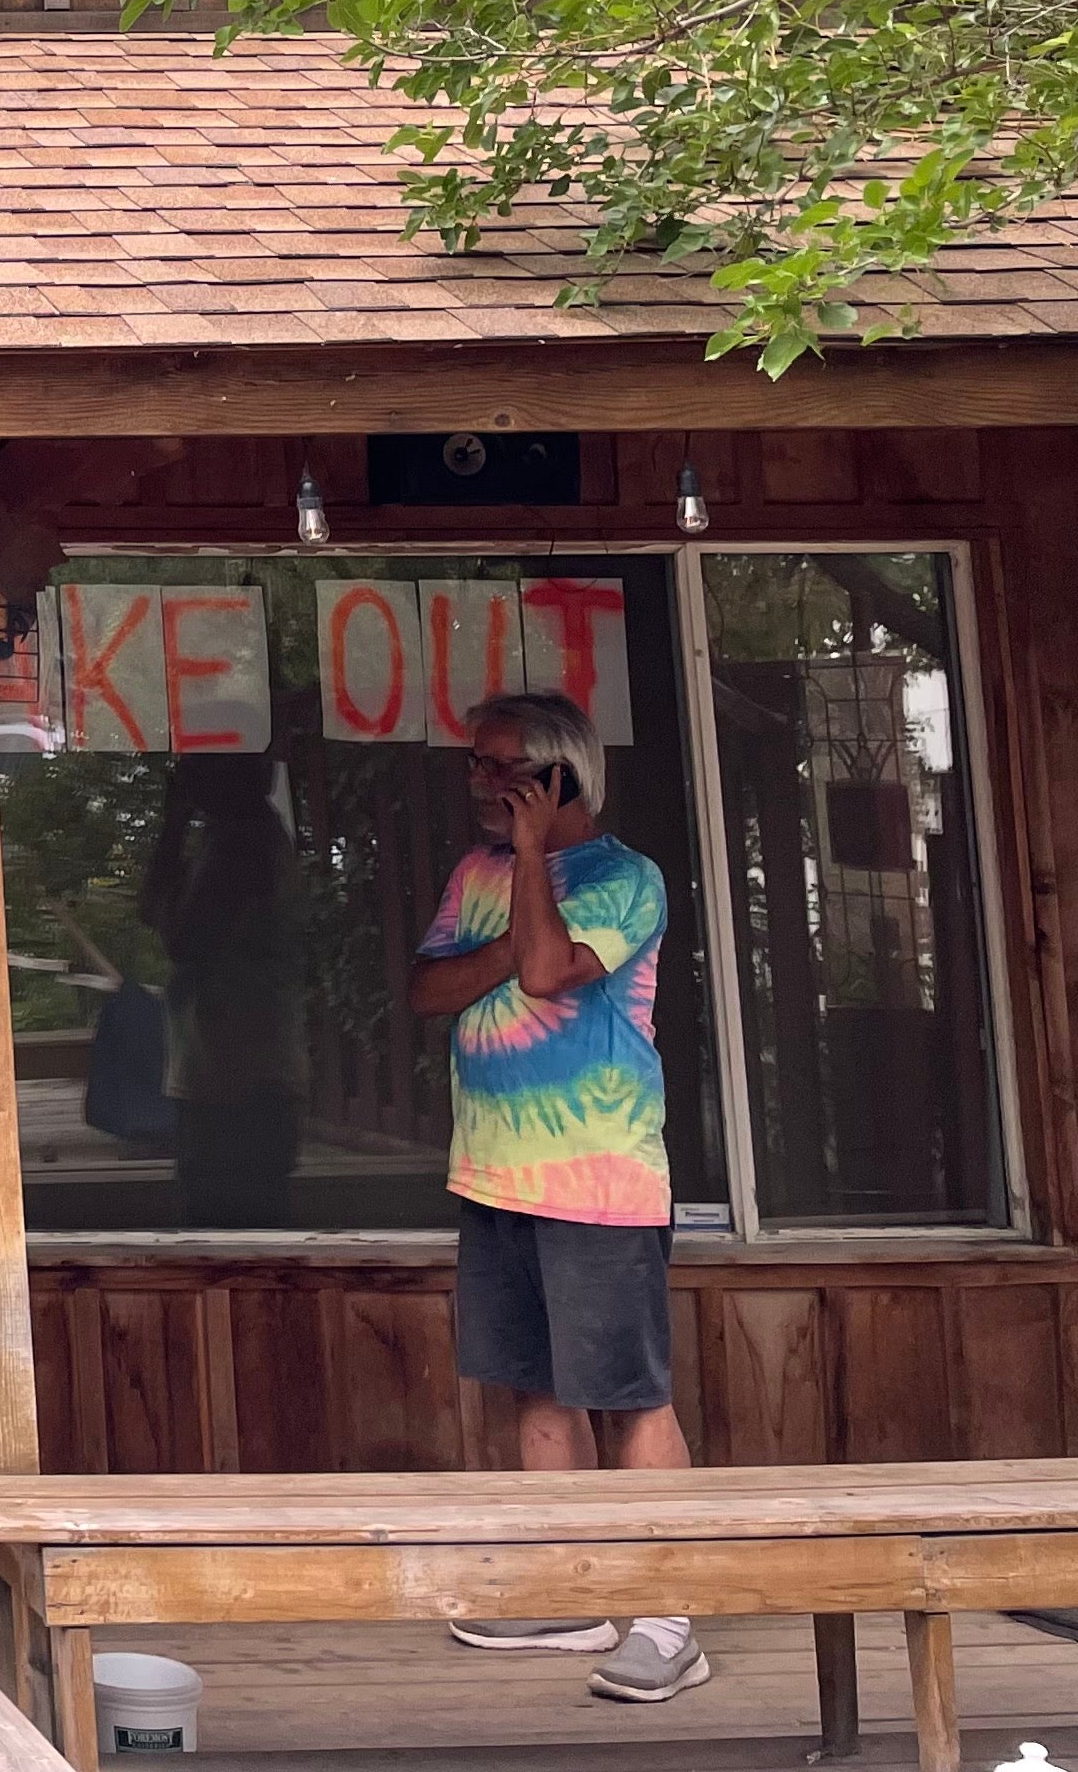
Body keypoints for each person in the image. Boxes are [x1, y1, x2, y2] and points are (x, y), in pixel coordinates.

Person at [411, 689, 705, 1703]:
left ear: (561, 775)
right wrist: (500, 926)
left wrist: (533, 856)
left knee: (628, 1395)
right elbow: (427, 990)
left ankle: (667, 1619)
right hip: (494, 1170)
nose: (482, 786)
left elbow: (543, 972)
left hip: (598, 1176)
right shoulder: (472, 875)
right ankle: (570, 1592)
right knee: (534, 1386)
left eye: (503, 769)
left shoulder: (627, 879)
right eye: (476, 767)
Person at [140, 752, 304, 1229]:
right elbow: (155, 910)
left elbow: (182, 936)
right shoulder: (233, 839)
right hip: (233, 1068)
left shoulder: (243, 846)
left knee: (227, 1226)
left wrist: (174, 822)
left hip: (239, 1074)